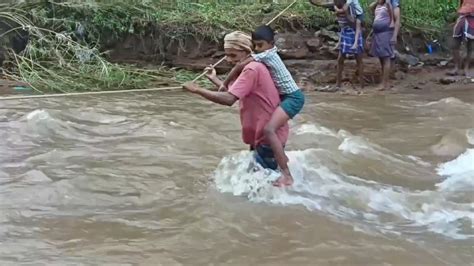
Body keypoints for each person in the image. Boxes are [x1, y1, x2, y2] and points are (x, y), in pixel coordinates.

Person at [182, 31, 293, 187]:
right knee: (262, 181)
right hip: (261, 135)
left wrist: (197, 90)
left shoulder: (252, 69)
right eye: (226, 55)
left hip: (267, 137)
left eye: (233, 56)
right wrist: (214, 78)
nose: (228, 60)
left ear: (247, 52)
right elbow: (232, 92)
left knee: (262, 186)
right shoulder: (251, 68)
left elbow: (229, 99)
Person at [219, 25, 304, 187]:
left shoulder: (262, 59)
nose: (257, 49)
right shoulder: (262, 58)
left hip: (293, 97)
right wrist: (218, 82)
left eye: (260, 45)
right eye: (255, 46)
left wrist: (218, 84)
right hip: (287, 96)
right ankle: (282, 162)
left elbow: (232, 90)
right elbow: (237, 91)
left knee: (269, 130)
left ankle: (287, 175)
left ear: (271, 44)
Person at [333, 0, 365, 90]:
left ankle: (362, 85)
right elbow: (341, 24)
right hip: (345, 32)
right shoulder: (336, 6)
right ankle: (338, 84)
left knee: (358, 59)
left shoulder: (350, 7)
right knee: (340, 59)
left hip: (354, 32)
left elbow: (353, 22)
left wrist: (346, 13)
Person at [369, 0, 394, 90]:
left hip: (385, 33)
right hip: (377, 34)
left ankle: (384, 83)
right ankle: (385, 82)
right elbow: (370, 7)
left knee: (386, 57)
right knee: (380, 57)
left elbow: (392, 16)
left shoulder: (388, 4)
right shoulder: (378, 6)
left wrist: (391, 22)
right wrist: (377, 2)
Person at [447, 0, 474, 78]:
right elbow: (461, 4)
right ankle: (457, 67)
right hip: (462, 18)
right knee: (455, 45)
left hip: (472, 20)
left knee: (470, 46)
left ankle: (466, 68)